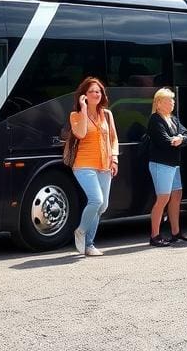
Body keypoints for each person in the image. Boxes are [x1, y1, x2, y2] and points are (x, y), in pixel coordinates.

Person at [68, 76, 119, 257]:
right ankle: (81, 231)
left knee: (102, 206)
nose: (96, 94)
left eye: (98, 91)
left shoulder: (107, 114)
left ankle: (89, 245)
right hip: (83, 164)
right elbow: (80, 133)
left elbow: (113, 138)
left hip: (104, 164)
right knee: (96, 200)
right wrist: (83, 109)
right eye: (91, 91)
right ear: (84, 95)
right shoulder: (75, 115)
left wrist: (114, 159)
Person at [146, 87, 187, 246]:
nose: (173, 102)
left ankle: (175, 232)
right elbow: (165, 141)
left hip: (174, 165)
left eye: (173, 100)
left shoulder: (173, 119)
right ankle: (155, 235)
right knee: (163, 199)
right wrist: (177, 140)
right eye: (169, 100)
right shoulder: (155, 119)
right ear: (159, 103)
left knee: (176, 196)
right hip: (161, 164)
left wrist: (179, 138)